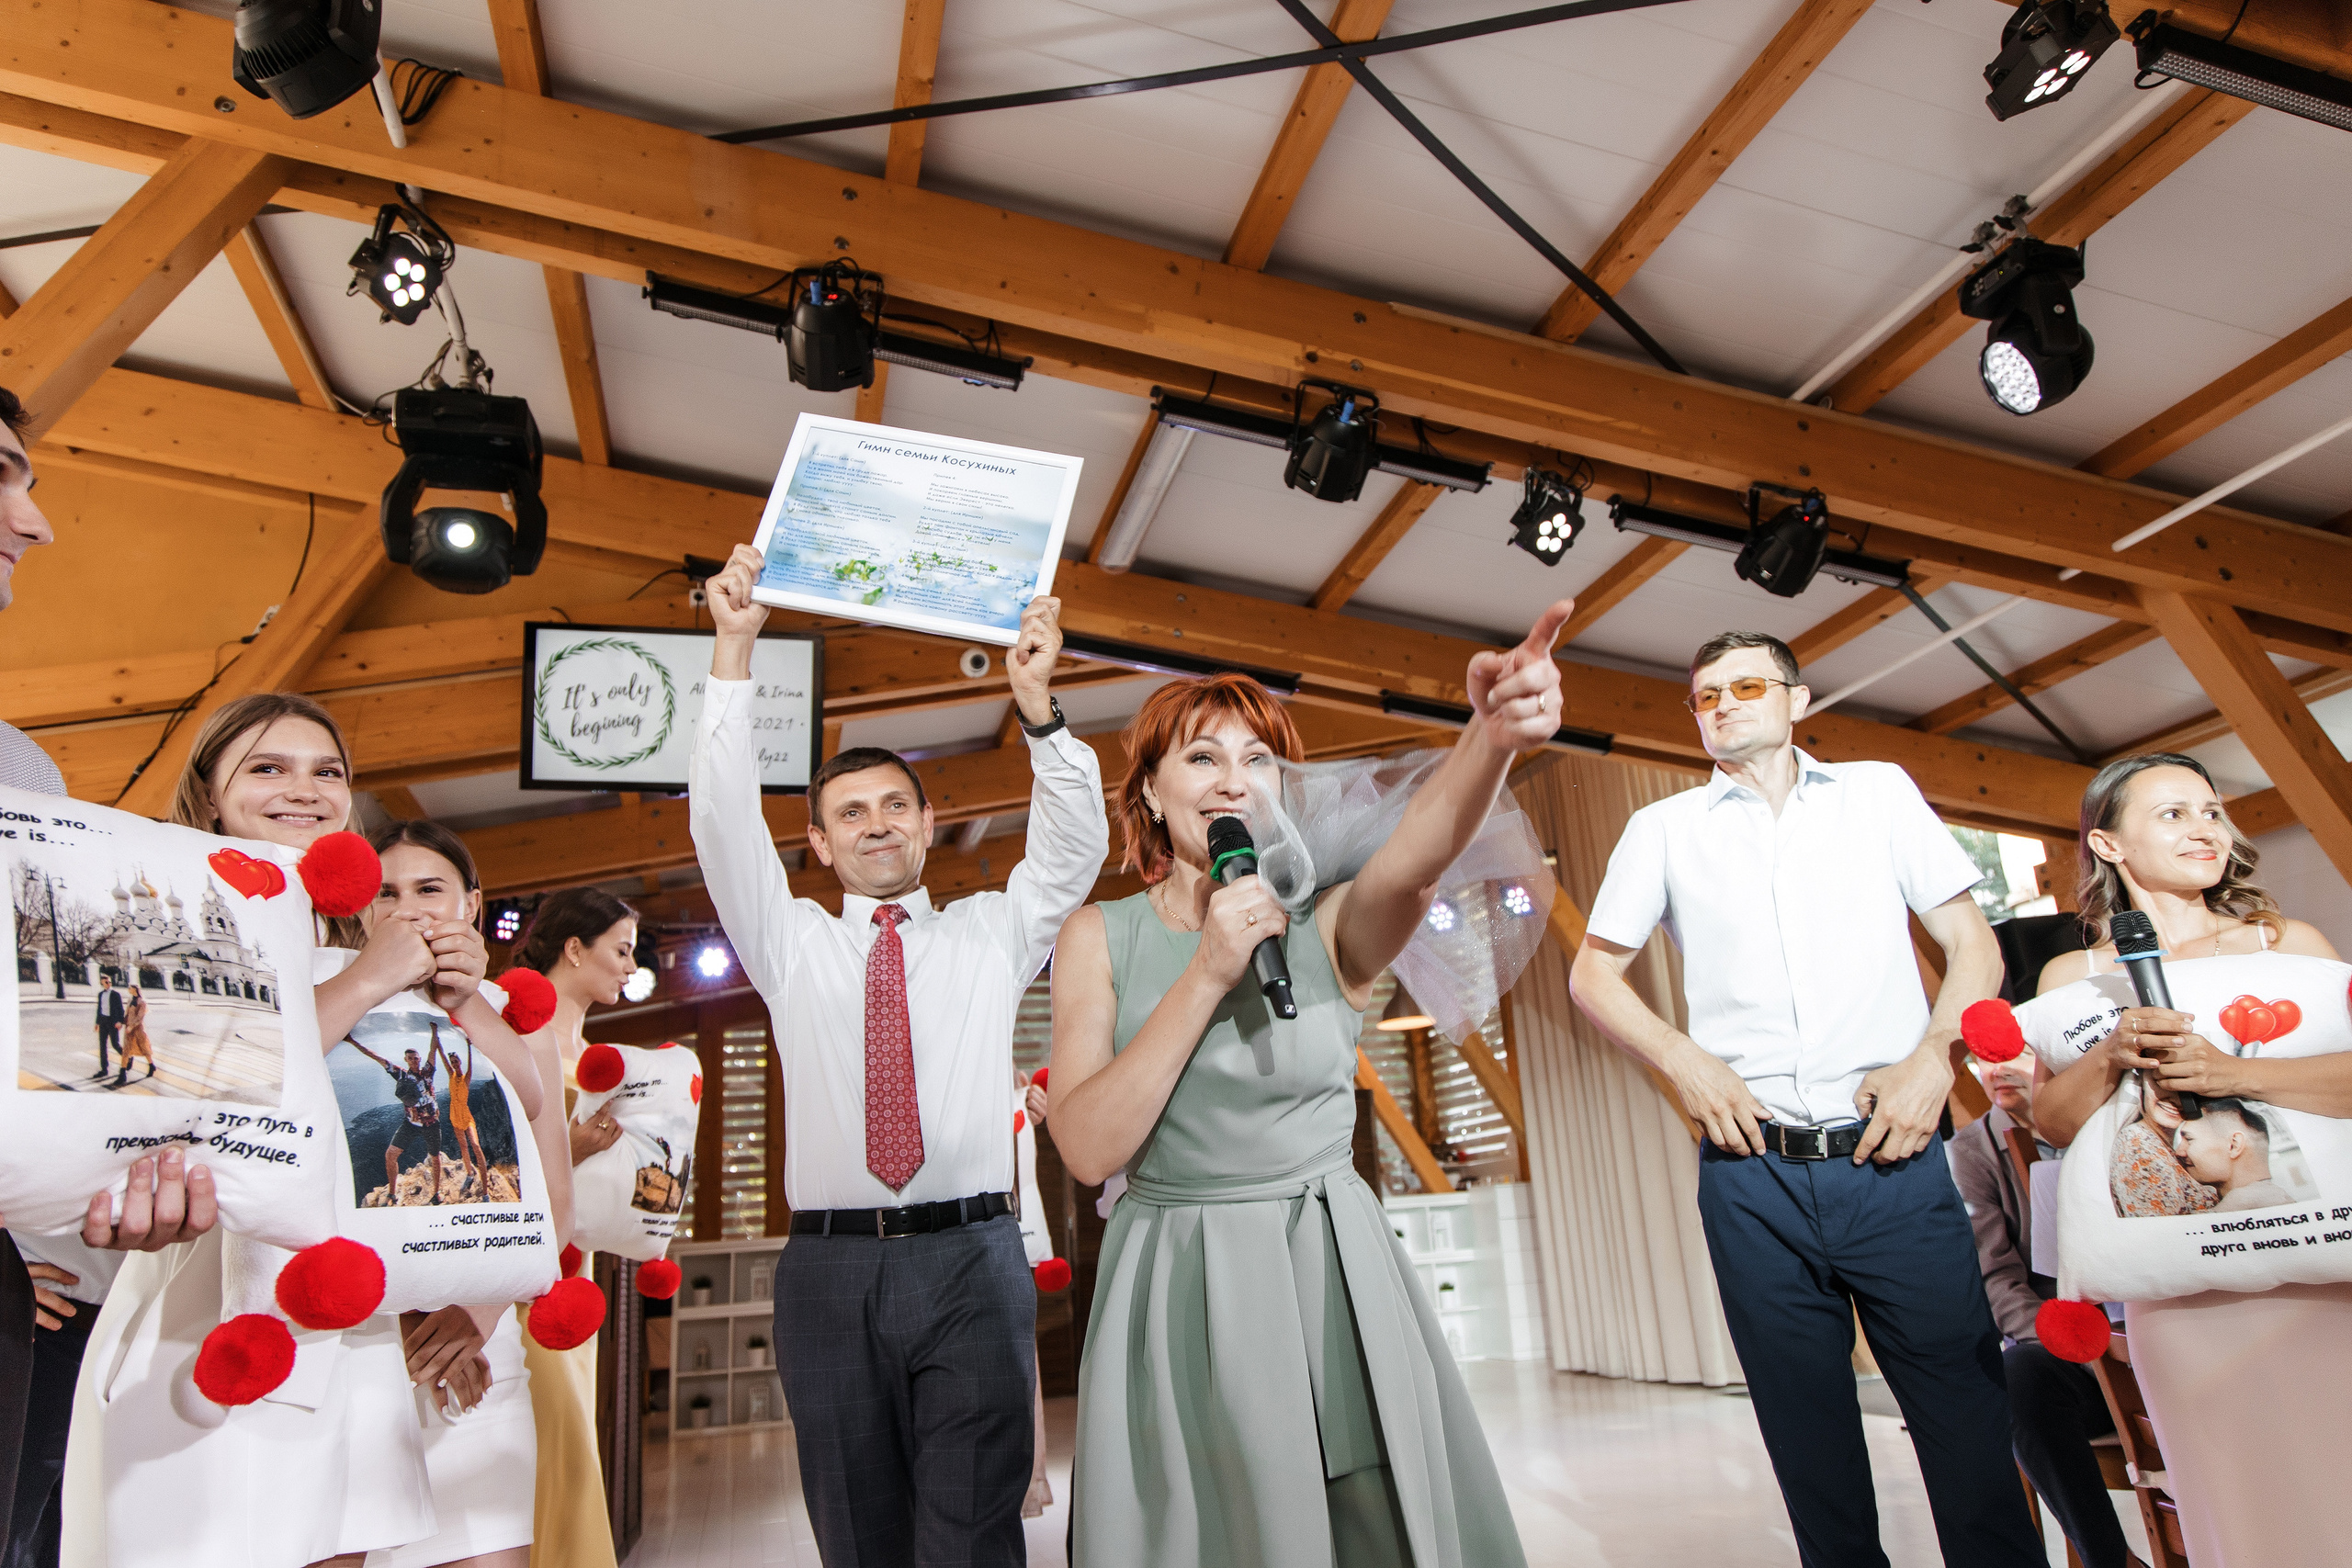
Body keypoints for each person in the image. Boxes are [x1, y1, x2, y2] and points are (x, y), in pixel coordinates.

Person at [1051, 603, 1573, 1568]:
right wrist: (1207, 971)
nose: (1234, 781)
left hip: (1326, 1260)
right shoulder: (1098, 937)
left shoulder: (1327, 921)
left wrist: (1490, 738)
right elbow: (1086, 1147)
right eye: (1204, 758)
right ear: (1152, 791)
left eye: (1259, 762)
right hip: (1178, 1272)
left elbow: (1419, 854)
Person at [1569, 630, 2041, 1568]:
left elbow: (1972, 945)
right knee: (1807, 1441)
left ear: (1798, 700)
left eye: (1746, 686)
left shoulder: (1878, 792)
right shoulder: (1660, 830)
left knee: (1966, 1424)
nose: (1723, 706)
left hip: (1895, 1159)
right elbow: (1593, 976)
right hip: (1751, 1181)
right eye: (1704, 696)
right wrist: (1682, 1061)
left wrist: (1930, 1062)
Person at [690, 540, 1107, 1566]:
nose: (876, 825)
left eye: (893, 806)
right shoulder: (788, 944)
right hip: (827, 1269)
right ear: (819, 846)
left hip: (974, 1258)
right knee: (859, 1533)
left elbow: (1074, 850)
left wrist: (1038, 706)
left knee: (972, 1532)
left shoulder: (990, 932)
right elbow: (719, 822)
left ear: (930, 822)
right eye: (849, 814)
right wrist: (733, 653)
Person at [62, 693, 537, 1568]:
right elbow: (190, 1081)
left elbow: (521, 1109)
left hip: (350, 1316)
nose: (304, 789)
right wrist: (367, 980)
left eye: (328, 771)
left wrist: (466, 999)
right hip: (210, 1299)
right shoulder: (163, 907)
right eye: (267, 767)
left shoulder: (354, 932)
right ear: (208, 791)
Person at [2027, 751, 2346, 1566]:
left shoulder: (2289, 946)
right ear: (2108, 845)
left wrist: (2235, 1073)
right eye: (2172, 814)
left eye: (2210, 811)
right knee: (2232, 1504)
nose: (2205, 828)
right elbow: (2052, 1124)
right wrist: (2111, 1056)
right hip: (2179, 1292)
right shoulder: (2079, 976)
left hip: (2327, 1273)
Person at [362, 817, 572, 1568]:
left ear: (471, 903)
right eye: (386, 891)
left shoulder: (515, 1018)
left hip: (478, 1343)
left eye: (430, 888)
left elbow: (554, 1198)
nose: (409, 908)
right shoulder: (338, 995)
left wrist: (472, 1315)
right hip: (361, 1348)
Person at [1949, 1055, 2145, 1568]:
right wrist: (2074, 1344)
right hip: (2068, 1353)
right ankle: (2109, 1559)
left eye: (2015, 1055)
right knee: (2016, 1378)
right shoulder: (1971, 1150)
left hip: (2154, 1339)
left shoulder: (2124, 1116)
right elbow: (1994, 1280)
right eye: (1983, 1061)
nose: (1997, 1071)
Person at [513, 886, 641, 1568]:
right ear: (573, 948)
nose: (629, 966)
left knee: (571, 1435)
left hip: (576, 1261)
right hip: (515, 1269)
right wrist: (577, 1145)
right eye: (620, 949)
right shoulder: (509, 1024)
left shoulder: (588, 1046)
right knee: (544, 1430)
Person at [346, 1039, 445, 1206]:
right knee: (390, 1155)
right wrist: (352, 1041)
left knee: (435, 1158)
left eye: (415, 1058)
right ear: (406, 1060)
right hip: (411, 1124)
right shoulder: (402, 1075)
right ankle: (392, 1193)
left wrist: (434, 1032)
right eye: (410, 1058)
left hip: (431, 1123)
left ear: (419, 1059)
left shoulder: (427, 1072)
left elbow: (433, 1051)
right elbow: (378, 1058)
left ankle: (436, 1192)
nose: (413, 1061)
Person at [2110, 1076, 2216, 1217]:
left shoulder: (2163, 1145)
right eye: (2161, 1082)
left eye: (2188, 1088)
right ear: (2142, 1082)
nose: (2175, 1099)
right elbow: (2161, 1230)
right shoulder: (2138, 1144)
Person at [2171, 1099, 2290, 1212]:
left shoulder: (2247, 1202)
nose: (2179, 1152)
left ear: (2234, 1145)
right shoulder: (2276, 1201)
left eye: (2189, 1139)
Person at [109, 985, 153, 1090]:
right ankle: (122, 1074)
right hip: (128, 1030)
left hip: (138, 1030)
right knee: (126, 1051)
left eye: (130, 988)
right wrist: (121, 1022)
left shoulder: (142, 1002)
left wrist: (132, 1026)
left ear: (135, 989)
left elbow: (140, 1017)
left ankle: (151, 1065)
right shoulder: (129, 1000)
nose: (128, 989)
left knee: (144, 1049)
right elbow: (127, 1015)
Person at [90, 976, 125, 1083]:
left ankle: (127, 1057)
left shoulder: (115, 994)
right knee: (102, 1046)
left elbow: (121, 1009)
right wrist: (97, 1022)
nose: (107, 984)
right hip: (103, 1022)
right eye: (104, 982)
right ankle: (104, 1069)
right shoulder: (101, 994)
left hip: (112, 1022)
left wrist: (120, 1021)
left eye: (108, 982)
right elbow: (99, 1009)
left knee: (115, 1044)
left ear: (110, 982)